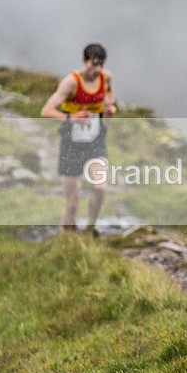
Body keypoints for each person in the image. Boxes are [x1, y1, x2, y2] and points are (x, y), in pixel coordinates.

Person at [41, 43, 116, 234]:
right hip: (71, 143)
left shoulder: (106, 77)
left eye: (101, 64)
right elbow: (46, 111)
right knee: (72, 201)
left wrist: (109, 108)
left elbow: (109, 94)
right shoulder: (71, 82)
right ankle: (68, 240)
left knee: (100, 187)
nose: (97, 69)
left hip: (95, 140)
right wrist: (71, 118)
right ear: (84, 61)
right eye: (94, 64)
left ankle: (91, 227)